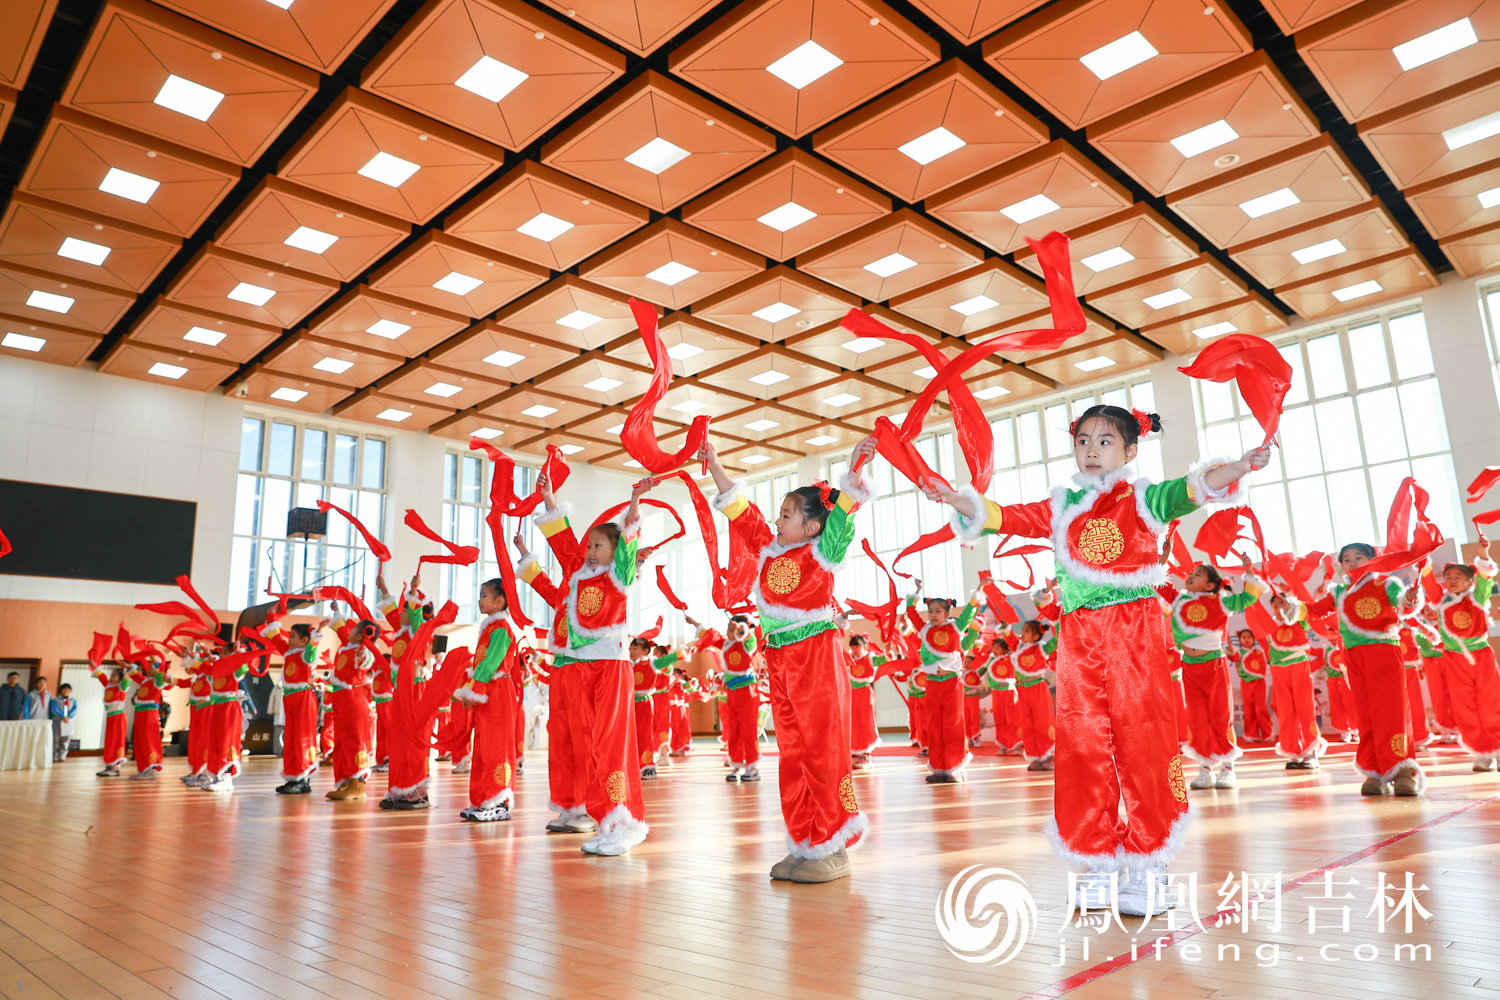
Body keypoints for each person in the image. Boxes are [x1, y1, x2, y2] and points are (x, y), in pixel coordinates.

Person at [926, 404, 1268, 916]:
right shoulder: (1063, 504)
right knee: (1083, 745)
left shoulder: (1144, 498)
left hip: (1135, 630)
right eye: (1083, 440)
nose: (1091, 450)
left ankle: (1151, 863)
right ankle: (1098, 858)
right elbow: (1009, 517)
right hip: (1079, 635)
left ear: (1131, 451)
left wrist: (1239, 466)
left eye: (1104, 441)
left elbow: (1193, 488)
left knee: (1144, 741)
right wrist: (962, 500)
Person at [702, 434, 877, 884]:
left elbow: (842, 519)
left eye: (787, 514)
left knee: (822, 751)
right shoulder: (770, 547)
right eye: (779, 514)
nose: (777, 520)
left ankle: (833, 844)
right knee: (792, 754)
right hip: (779, 660)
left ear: (813, 526)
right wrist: (716, 463)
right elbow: (742, 514)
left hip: (815, 657)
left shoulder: (822, 552)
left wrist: (855, 472)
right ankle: (805, 842)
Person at [520, 471, 653, 856]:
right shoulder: (579, 578)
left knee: (611, 745)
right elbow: (563, 544)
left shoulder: (619, 577)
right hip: (580, 670)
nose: (591, 550)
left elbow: (628, 540)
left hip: (610, 669)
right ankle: (602, 818)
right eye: (590, 545)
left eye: (598, 545)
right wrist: (548, 496)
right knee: (592, 745)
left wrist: (634, 502)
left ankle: (623, 822)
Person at [1306, 543, 1424, 796]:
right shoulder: (1338, 591)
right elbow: (1315, 611)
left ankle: (1402, 771)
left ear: (1374, 560)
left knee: (1392, 711)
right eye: (1346, 559)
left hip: (1383, 651)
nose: (1352, 562)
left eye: (1358, 557)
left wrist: (1411, 597)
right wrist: (1291, 606)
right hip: (1354, 656)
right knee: (1366, 713)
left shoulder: (1387, 585)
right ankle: (1376, 771)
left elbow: (1404, 604)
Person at [1161, 559, 1263, 790]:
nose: (1190, 576)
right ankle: (1205, 768)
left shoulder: (1221, 600)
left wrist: (1249, 574)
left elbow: (1247, 597)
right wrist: (1159, 558)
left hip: (1213, 665)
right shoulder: (1179, 599)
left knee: (1220, 714)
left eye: (1198, 574)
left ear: (1210, 586)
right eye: (1191, 572)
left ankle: (1228, 768)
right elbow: (1158, 584)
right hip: (1189, 667)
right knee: (1197, 718)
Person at [1428, 537, 1499, 772]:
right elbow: (1429, 583)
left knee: (1491, 703)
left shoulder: (1476, 599)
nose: (1452, 581)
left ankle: (1498, 748)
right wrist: (1422, 559)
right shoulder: (1440, 601)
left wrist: (1483, 554)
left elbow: (1486, 582)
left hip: (1481, 656)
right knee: (1464, 707)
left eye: (1458, 577)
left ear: (1470, 581)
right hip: (1454, 659)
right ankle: (1482, 753)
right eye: (1448, 577)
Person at [453, 578, 522, 821]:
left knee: (497, 747)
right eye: (480, 595)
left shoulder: (502, 629)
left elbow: (491, 662)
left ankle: (499, 801)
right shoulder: (490, 629)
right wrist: (472, 688)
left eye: (484, 595)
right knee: (482, 748)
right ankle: (482, 800)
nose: (480, 600)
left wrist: (476, 688)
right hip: (486, 692)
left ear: (499, 600)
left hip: (498, 692)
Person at [905, 588, 982, 784]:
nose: (933, 614)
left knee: (953, 724)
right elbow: (912, 615)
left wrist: (978, 591)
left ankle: (954, 769)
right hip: (932, 684)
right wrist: (914, 596)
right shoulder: (925, 630)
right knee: (934, 725)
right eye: (930, 611)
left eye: (938, 611)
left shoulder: (955, 628)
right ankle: (939, 768)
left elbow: (968, 613)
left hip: (951, 683)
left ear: (947, 613)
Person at [261, 618, 326, 794]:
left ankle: (303, 778)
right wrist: (271, 620)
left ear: (305, 640)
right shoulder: (289, 652)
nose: (289, 640)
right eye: (290, 636)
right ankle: (292, 776)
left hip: (304, 698)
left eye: (294, 637)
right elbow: (277, 639)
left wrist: (317, 633)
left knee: (302, 738)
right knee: (290, 738)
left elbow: (312, 653)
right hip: (290, 699)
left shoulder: (306, 654)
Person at [1265, 595, 1324, 769]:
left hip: (1299, 667)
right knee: (1286, 712)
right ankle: (1293, 752)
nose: (1278, 609)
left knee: (1305, 709)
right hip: (1279, 672)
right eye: (1275, 606)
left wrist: (1291, 595)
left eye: (1282, 605)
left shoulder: (1299, 620)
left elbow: (1307, 610)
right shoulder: (1269, 625)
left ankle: (1311, 751)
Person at [1229, 629, 1272, 744]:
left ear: (1253, 639)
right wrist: (1227, 641)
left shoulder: (1260, 652)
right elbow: (1232, 655)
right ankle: (1251, 735)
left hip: (1259, 683)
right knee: (1249, 710)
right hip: (1246, 683)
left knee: (1260, 709)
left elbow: (1270, 658)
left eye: (1249, 637)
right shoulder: (1239, 652)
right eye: (1244, 637)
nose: (1247, 639)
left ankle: (1267, 733)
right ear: (1240, 640)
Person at [49, 683, 76, 762]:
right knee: (56, 738)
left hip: (68, 722)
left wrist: (69, 716)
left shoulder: (73, 700)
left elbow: (75, 710)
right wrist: (62, 716)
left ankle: (63, 753)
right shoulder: (55, 700)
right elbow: (54, 709)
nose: (66, 691)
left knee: (66, 738)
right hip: (58, 721)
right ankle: (55, 754)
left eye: (67, 689)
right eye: (64, 689)